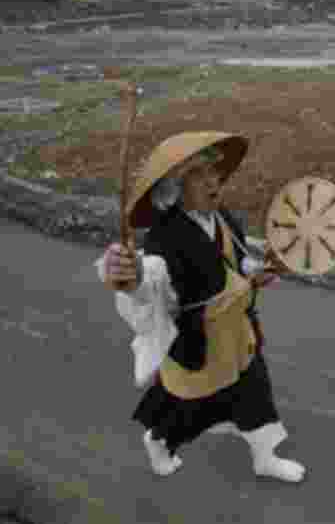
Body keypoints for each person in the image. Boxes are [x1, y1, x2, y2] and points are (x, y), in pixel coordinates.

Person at [97, 131, 306, 482]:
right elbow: (152, 284)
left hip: (238, 337)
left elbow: (235, 261)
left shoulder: (221, 217)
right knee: (184, 408)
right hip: (200, 345)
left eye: (214, 172)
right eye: (199, 175)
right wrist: (129, 281)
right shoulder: (163, 238)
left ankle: (264, 457)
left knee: (255, 393)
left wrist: (255, 270)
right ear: (174, 189)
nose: (214, 182)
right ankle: (158, 442)